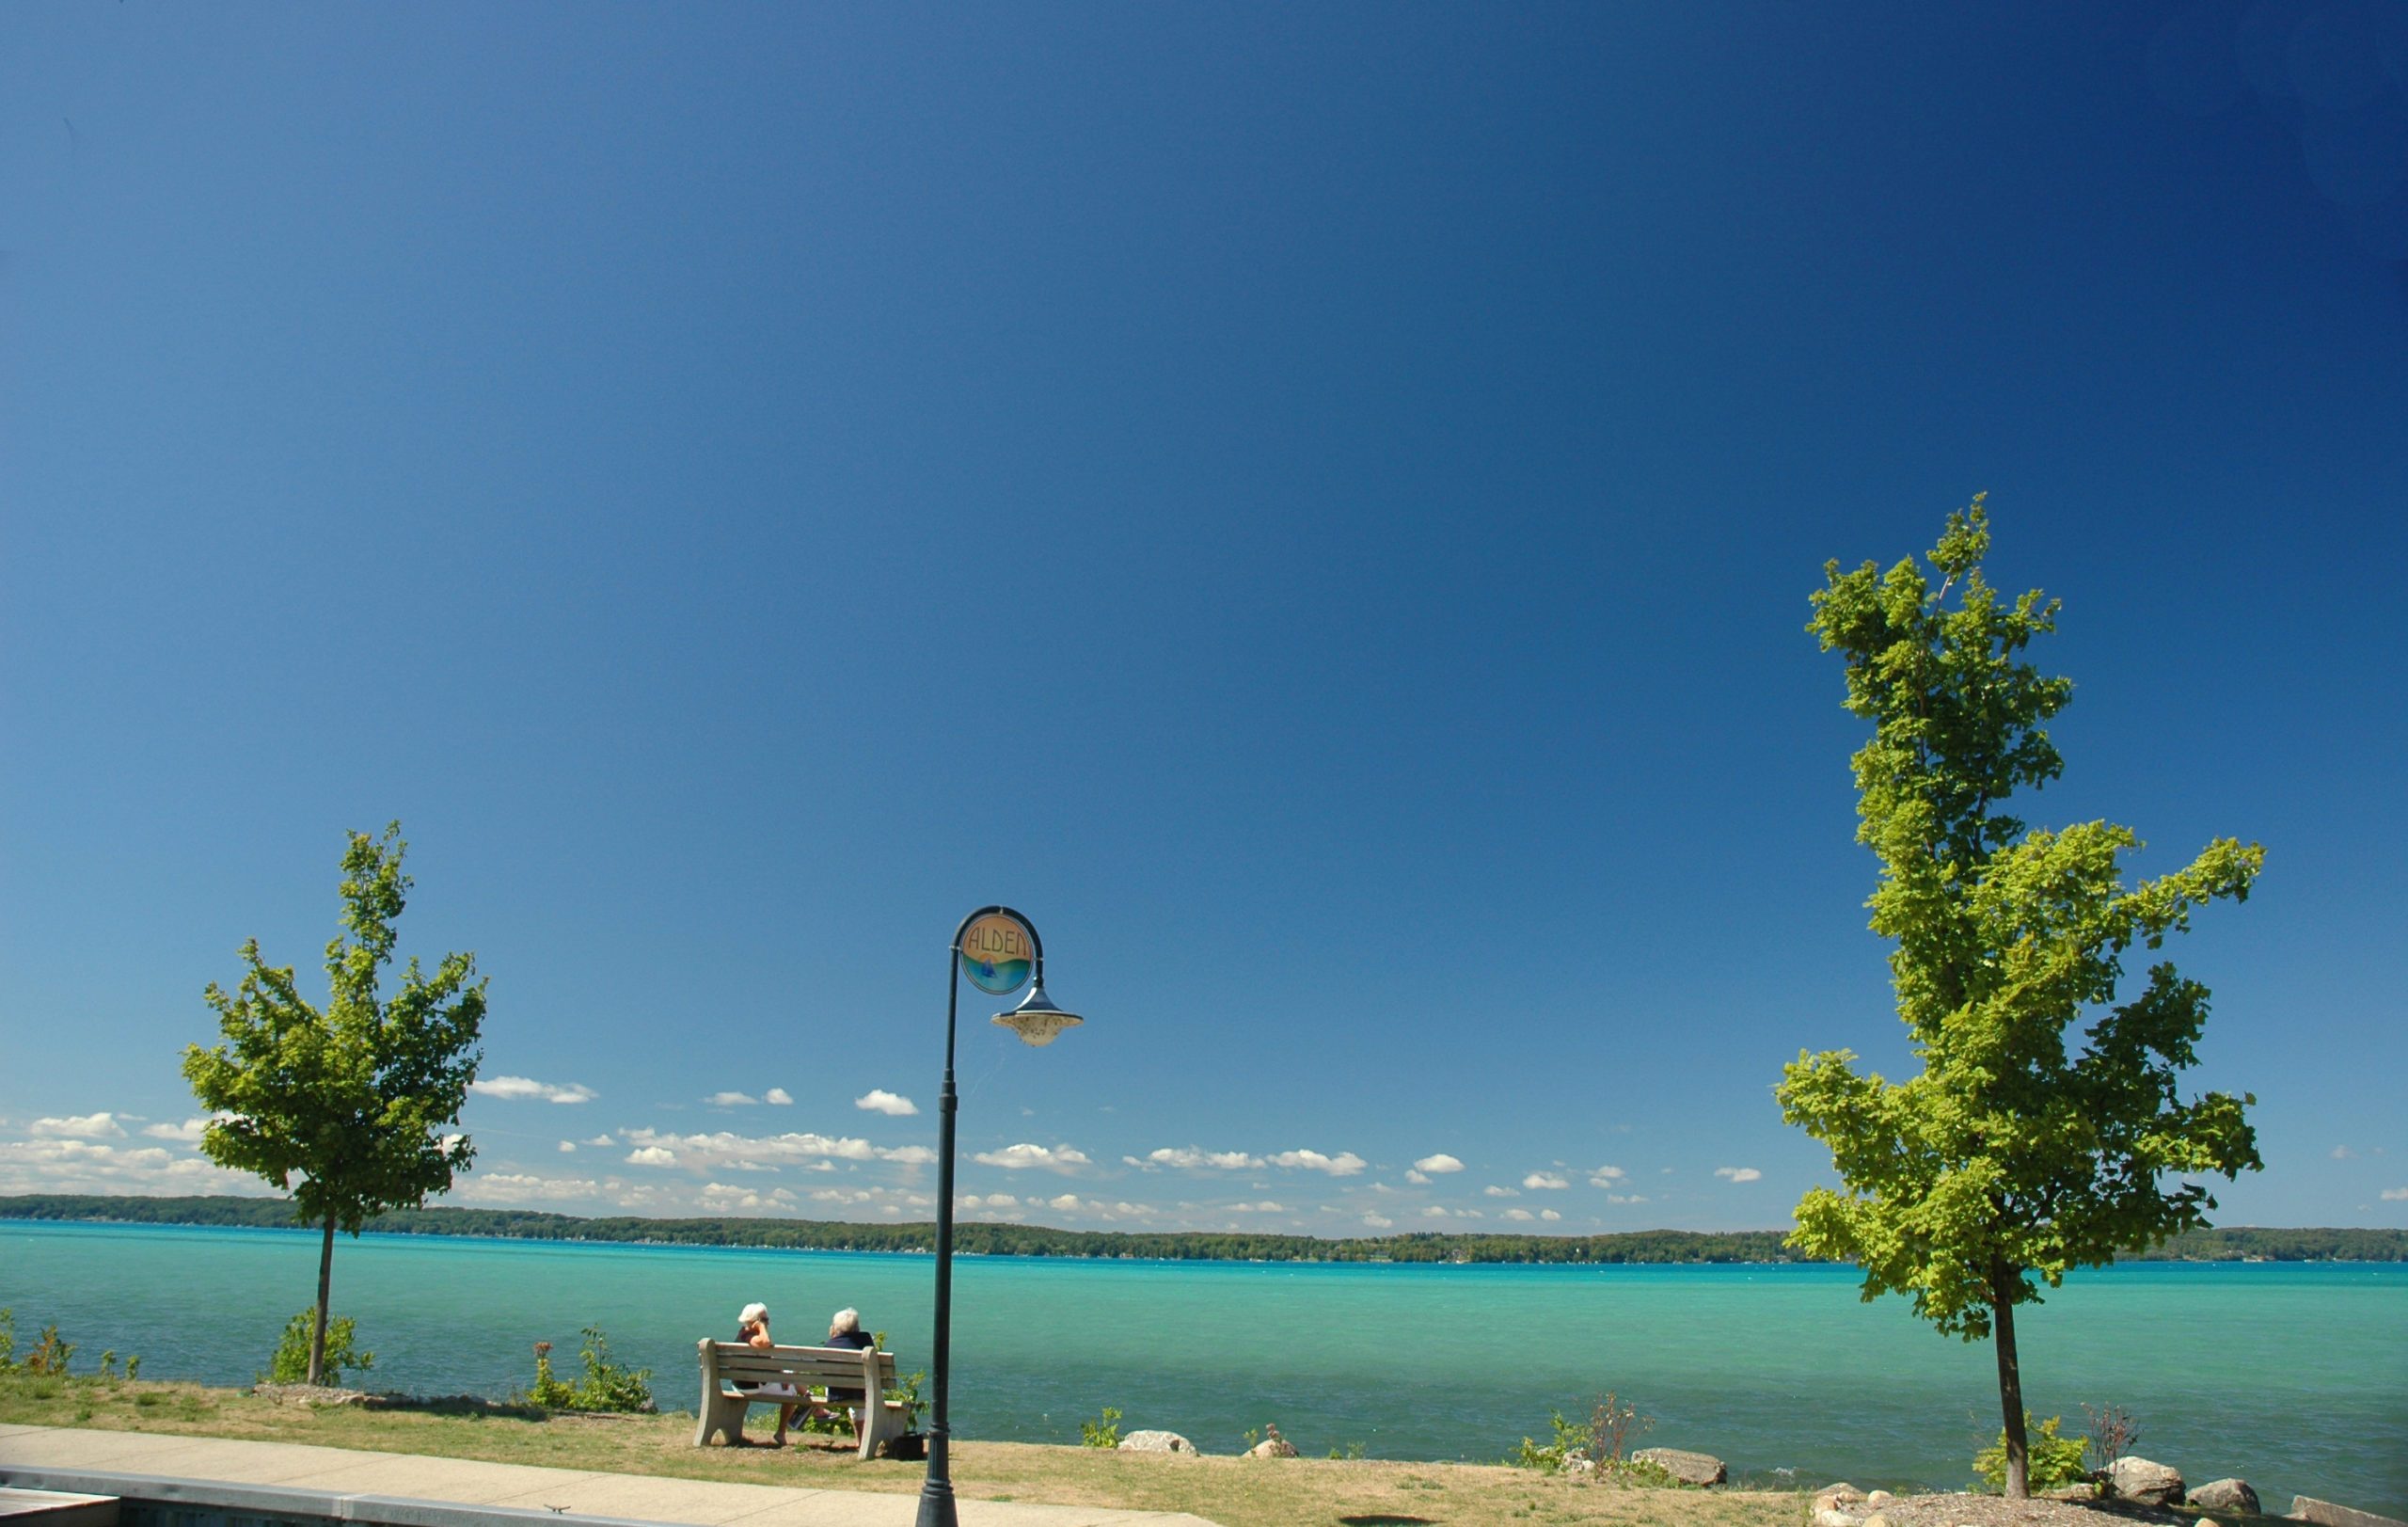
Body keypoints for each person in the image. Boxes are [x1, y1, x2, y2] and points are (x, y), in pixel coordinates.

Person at [735, 1301, 802, 1445]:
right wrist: (761, 1328)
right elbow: (765, 1342)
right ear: (754, 1322)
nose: (768, 1323)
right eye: (765, 1320)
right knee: (792, 1392)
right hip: (752, 1386)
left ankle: (814, 1405)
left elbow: (766, 1361)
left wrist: (782, 1375)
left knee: (792, 1376)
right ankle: (781, 1433)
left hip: (741, 1384)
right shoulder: (750, 1337)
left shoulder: (742, 1334)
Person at [813, 1307, 876, 1448]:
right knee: (860, 1396)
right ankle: (862, 1442)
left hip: (836, 1393)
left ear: (836, 1327)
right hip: (861, 1391)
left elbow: (824, 1374)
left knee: (854, 1394)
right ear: (856, 1326)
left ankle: (860, 1441)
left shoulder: (829, 1345)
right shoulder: (865, 1340)